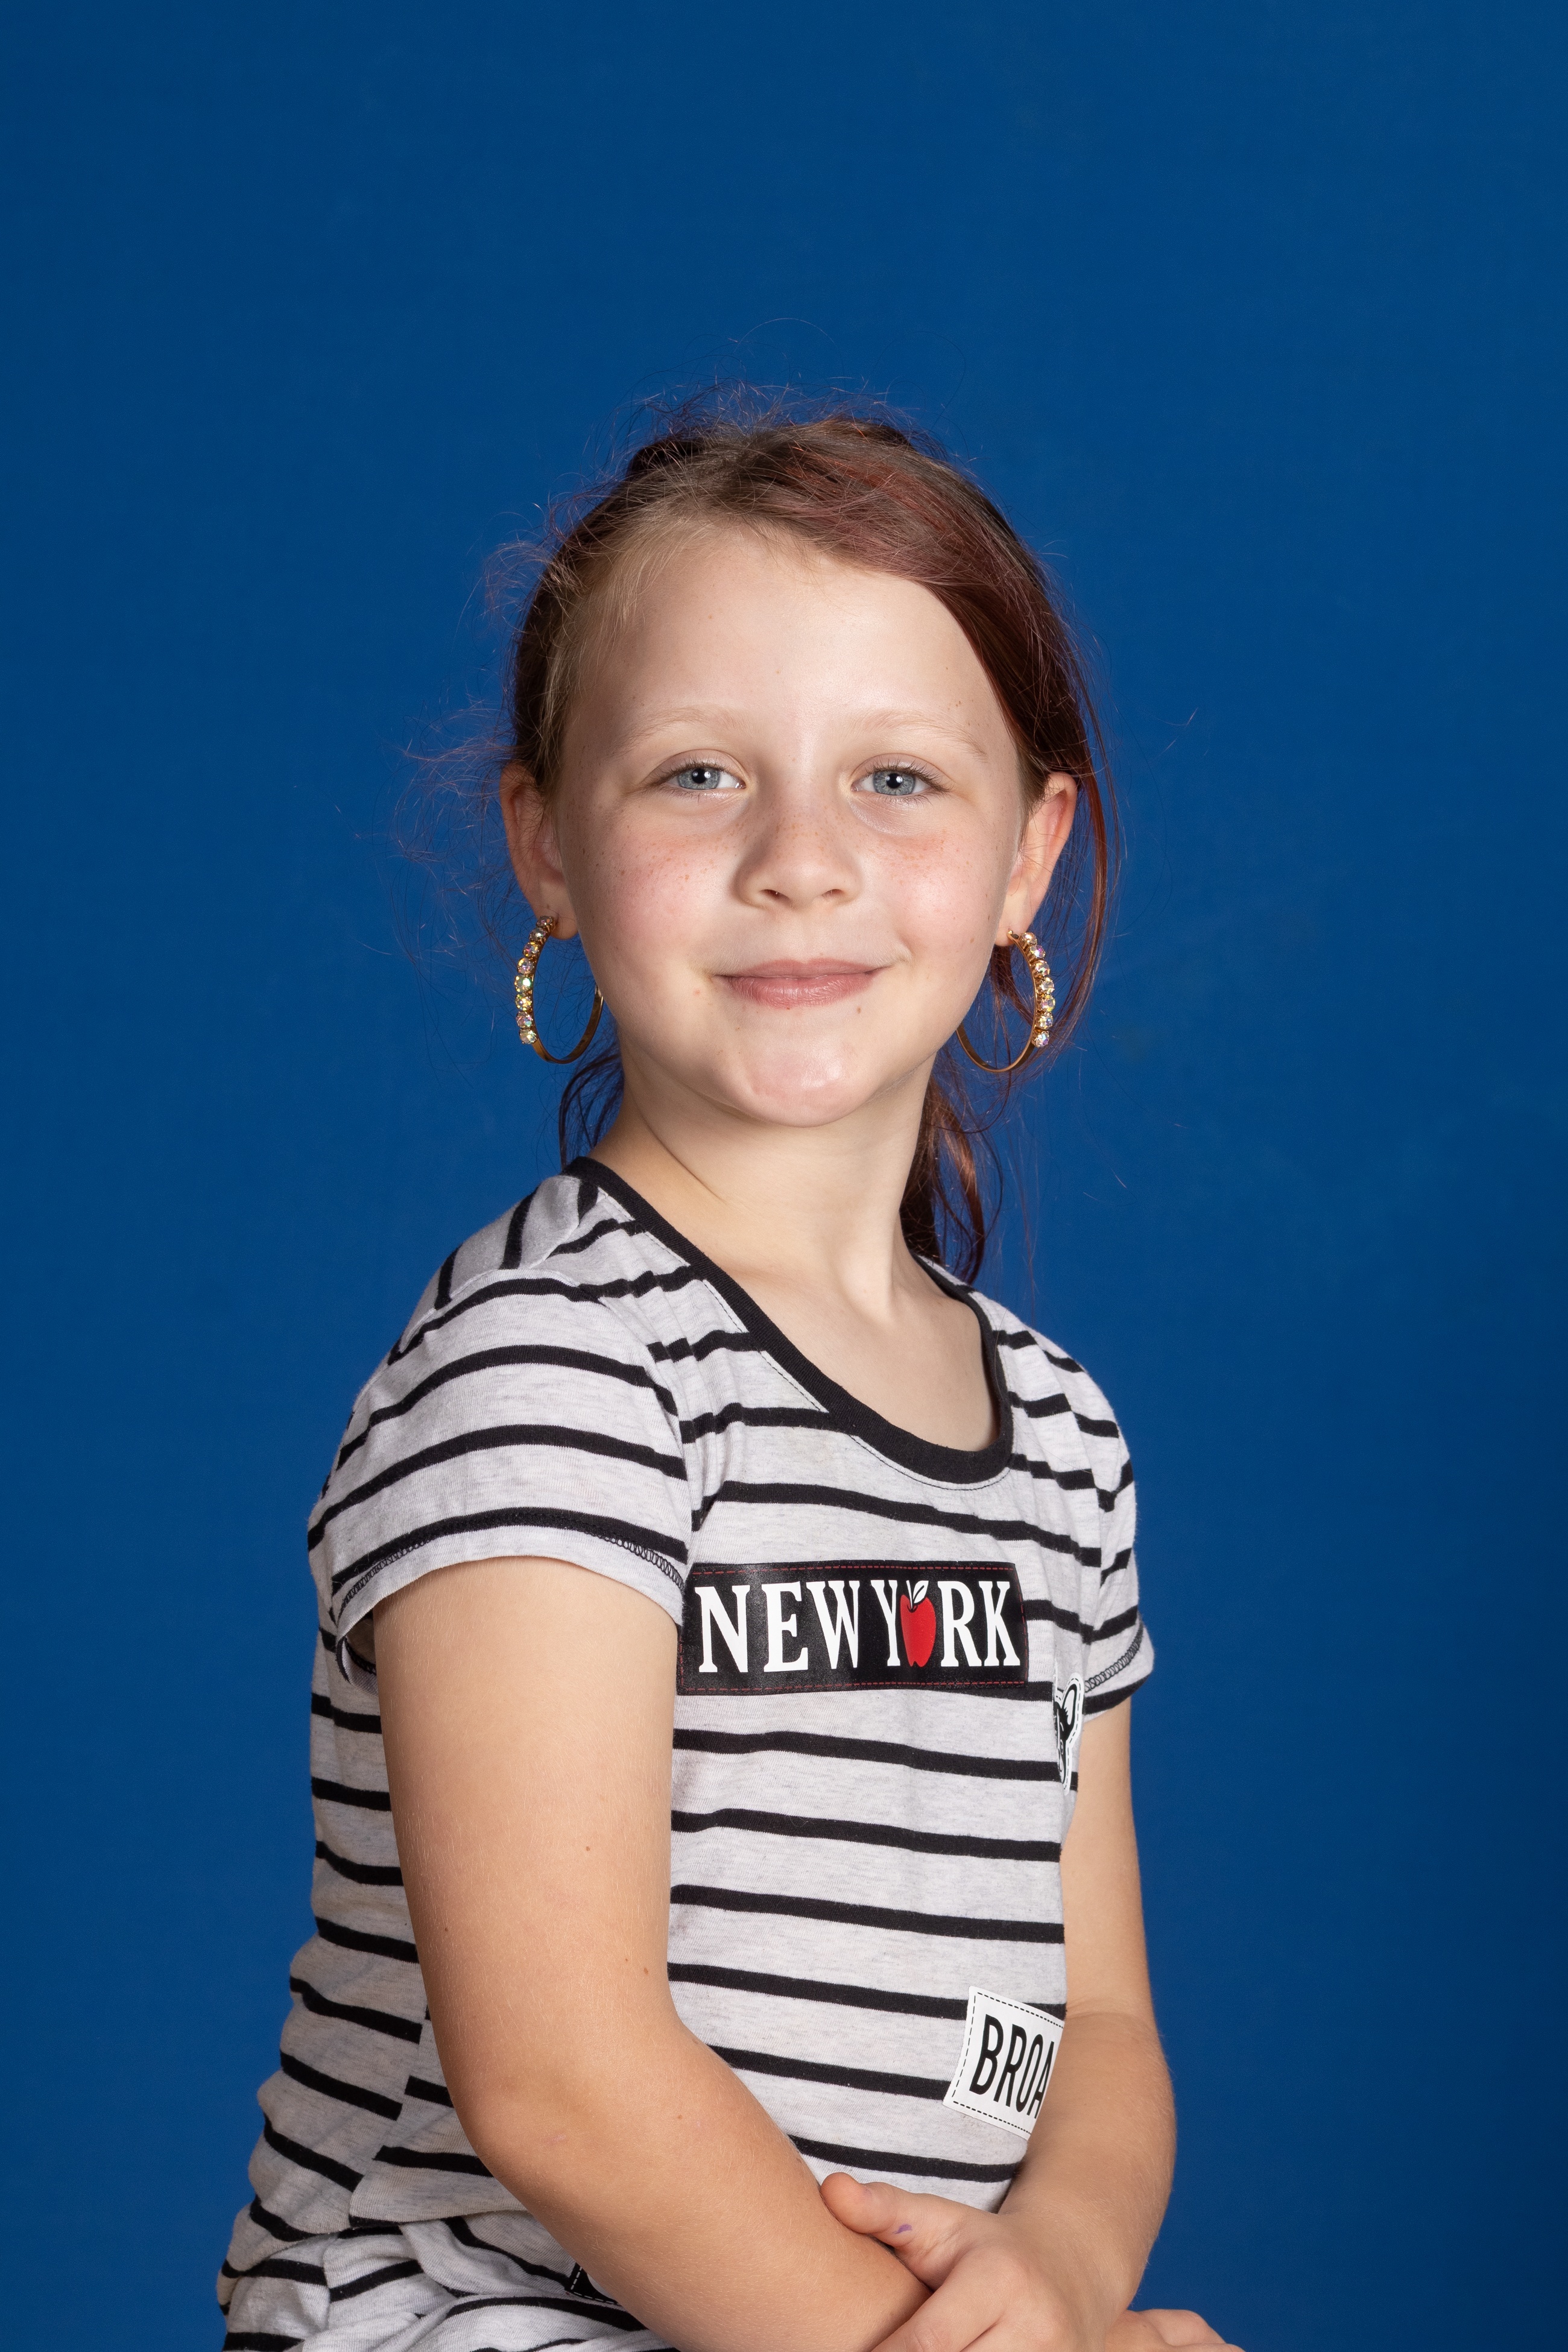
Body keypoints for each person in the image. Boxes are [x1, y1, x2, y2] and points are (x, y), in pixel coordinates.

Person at [218, 409, 1242, 2352]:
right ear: (547, 840)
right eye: (700, 774)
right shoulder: (551, 1370)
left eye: (896, 779)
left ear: (1029, 854)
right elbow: (564, 2086)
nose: (802, 862)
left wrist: (1057, 2280)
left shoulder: (1061, 1443)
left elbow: (1101, 2023)